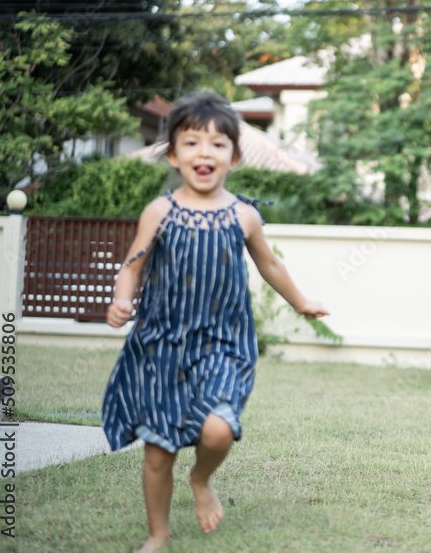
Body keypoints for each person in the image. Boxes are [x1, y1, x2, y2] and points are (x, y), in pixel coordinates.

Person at [101, 91, 329, 551]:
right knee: (158, 451)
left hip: (224, 344)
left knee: (219, 428)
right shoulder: (160, 211)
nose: (204, 152)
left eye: (217, 144)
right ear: (172, 153)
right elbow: (133, 265)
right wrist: (121, 301)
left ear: (234, 157)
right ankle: (158, 534)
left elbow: (270, 266)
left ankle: (202, 478)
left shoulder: (244, 215)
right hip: (162, 345)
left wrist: (300, 302)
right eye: (191, 143)